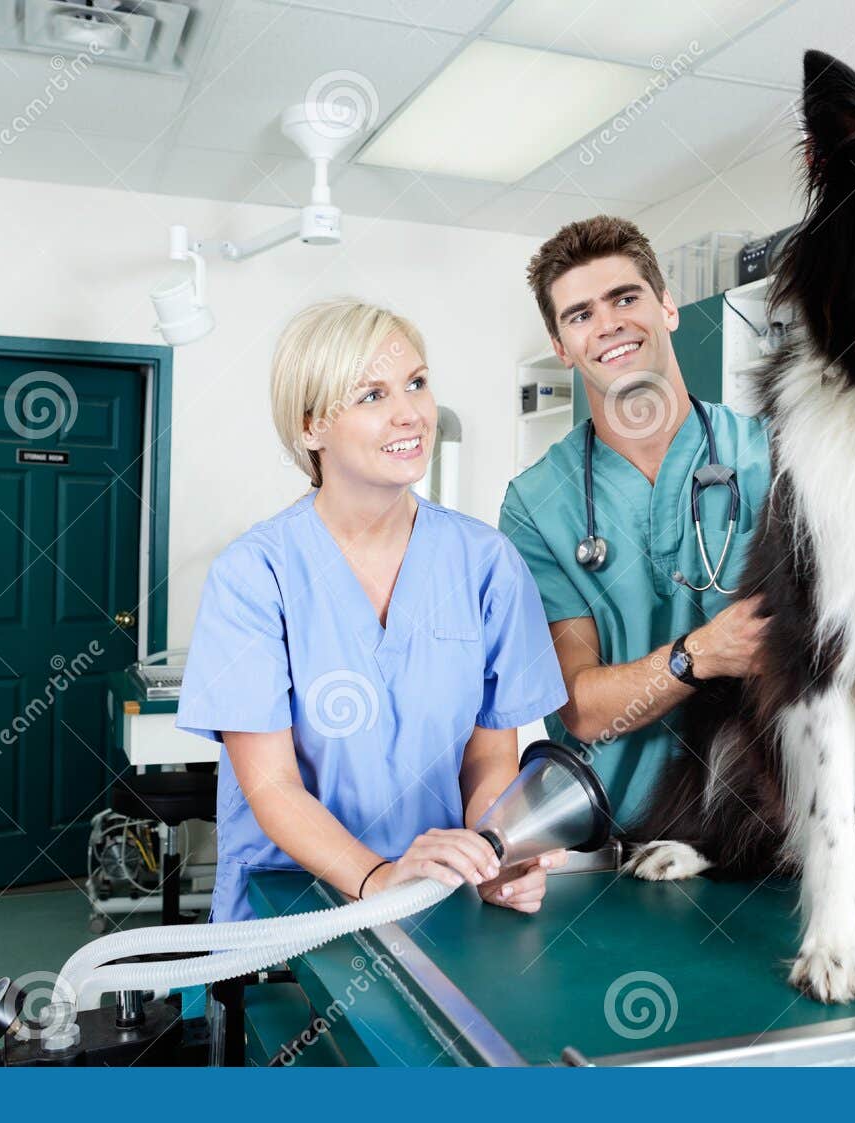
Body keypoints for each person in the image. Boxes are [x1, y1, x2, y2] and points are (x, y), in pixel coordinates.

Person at [177, 300, 569, 922]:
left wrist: (500, 854)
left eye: (416, 383)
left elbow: (488, 759)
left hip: (437, 898)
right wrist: (377, 879)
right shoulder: (255, 574)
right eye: (371, 395)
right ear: (311, 428)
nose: (409, 412)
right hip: (288, 914)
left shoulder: (486, 563)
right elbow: (273, 785)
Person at [499, 217, 774, 823]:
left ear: (667, 307)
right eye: (579, 315)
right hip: (617, 843)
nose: (608, 325)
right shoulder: (538, 503)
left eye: (626, 298)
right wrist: (701, 654)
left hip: (770, 831)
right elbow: (581, 706)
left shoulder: (774, 456)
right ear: (562, 347)